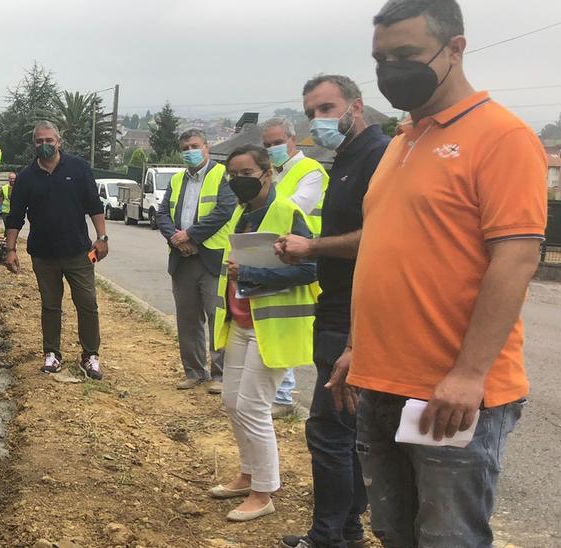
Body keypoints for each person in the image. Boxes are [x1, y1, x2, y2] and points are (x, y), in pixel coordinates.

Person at [340, 1, 546, 545]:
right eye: (380, 58)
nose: (390, 70)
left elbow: (516, 258)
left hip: (449, 396)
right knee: (392, 533)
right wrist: (358, 348)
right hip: (380, 381)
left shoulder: (501, 136)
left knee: (448, 538)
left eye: (405, 54)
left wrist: (469, 374)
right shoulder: (402, 141)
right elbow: (392, 254)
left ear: (455, 48)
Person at [273, 74, 391, 548]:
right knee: (345, 429)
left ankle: (329, 537)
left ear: (356, 106)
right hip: (337, 304)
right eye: (311, 112)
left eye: (326, 108)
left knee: (329, 431)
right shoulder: (343, 159)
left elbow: (381, 236)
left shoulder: (378, 157)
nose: (317, 120)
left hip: (354, 315)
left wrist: (313, 246)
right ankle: (345, 532)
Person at [209, 145, 318, 522]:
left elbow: (311, 269)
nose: (238, 181)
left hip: (273, 326)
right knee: (231, 402)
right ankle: (247, 473)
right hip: (241, 322)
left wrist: (255, 276)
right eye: (232, 175)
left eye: (246, 173)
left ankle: (264, 491)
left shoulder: (288, 212)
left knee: (254, 406)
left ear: (266, 173)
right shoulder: (244, 214)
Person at [3, 121, 108, 381]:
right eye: (39, 141)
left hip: (79, 254)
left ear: (59, 142)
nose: (45, 145)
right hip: (44, 255)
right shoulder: (26, 178)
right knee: (50, 306)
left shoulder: (79, 169)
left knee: (87, 304)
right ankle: (52, 353)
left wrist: (102, 237)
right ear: (34, 144)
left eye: (49, 140)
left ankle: (90, 356)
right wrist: (10, 249)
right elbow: (15, 217)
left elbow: (94, 206)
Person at [154, 130, 238, 393]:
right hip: (182, 259)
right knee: (188, 319)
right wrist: (176, 239)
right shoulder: (178, 179)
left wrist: (190, 236)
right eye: (186, 147)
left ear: (206, 147)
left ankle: (220, 375)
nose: (190, 151)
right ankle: (194, 372)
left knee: (217, 318)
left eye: (195, 146)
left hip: (212, 258)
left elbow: (224, 211)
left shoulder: (223, 175)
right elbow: (162, 213)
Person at [259, 117, 329, 417]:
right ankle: (281, 394)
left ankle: (285, 397)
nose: (273, 149)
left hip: (305, 256)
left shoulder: (310, 170)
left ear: (292, 140)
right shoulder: (276, 174)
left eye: (277, 142)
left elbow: (293, 208)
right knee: (277, 321)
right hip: (277, 252)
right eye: (268, 145)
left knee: (294, 323)